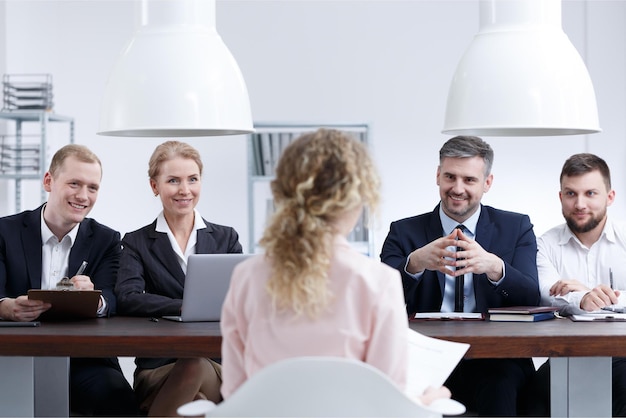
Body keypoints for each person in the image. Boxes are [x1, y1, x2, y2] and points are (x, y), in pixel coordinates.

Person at [220, 128, 450, 405]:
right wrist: (429, 400)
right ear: (358, 197)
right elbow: (387, 404)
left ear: (283, 193)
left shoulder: (246, 277)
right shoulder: (379, 282)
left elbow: (234, 393)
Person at [380, 135, 540, 416]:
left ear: (487, 183)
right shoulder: (403, 232)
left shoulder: (516, 227)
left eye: (469, 180)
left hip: (498, 357)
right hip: (427, 356)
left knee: (500, 387)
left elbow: (531, 296)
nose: (457, 188)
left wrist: (494, 267)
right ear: (438, 176)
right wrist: (413, 264)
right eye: (450, 177)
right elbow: (380, 301)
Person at [0, 144, 140, 416]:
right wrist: (5, 307)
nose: (83, 196)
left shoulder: (106, 239)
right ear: (48, 181)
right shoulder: (5, 231)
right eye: (74, 183)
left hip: (84, 359)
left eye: (92, 187)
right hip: (13, 355)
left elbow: (112, 298)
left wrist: (94, 298)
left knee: (118, 397)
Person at [115, 140, 243, 417]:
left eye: (192, 179)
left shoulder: (226, 238)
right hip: (158, 366)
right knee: (194, 401)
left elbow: (242, 298)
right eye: (173, 180)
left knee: (195, 364)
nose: (185, 190)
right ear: (154, 186)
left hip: (216, 365)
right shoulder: (137, 242)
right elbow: (128, 298)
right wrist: (182, 307)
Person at [535, 153, 626, 416]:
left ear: (609, 197)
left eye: (590, 193)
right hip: (565, 356)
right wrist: (584, 299)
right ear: (560, 197)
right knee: (530, 400)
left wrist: (587, 293)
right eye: (571, 194)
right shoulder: (545, 243)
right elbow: (545, 295)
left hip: (623, 353)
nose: (580, 203)